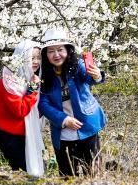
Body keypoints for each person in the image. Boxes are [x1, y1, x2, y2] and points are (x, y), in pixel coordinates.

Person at [38, 26, 107, 176]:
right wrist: (64, 119)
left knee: (94, 172)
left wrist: (97, 76)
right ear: (45, 54)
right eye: (51, 51)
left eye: (60, 49)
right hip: (62, 130)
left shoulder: (76, 66)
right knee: (67, 174)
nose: (56, 55)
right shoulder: (43, 76)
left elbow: (89, 78)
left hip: (87, 124)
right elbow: (43, 103)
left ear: (68, 50)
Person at [0, 39, 46, 176]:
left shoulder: (30, 77)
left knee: (28, 172)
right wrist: (33, 89)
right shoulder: (9, 81)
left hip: (25, 133)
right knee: (23, 172)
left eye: (38, 58)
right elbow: (20, 110)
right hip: (9, 134)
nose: (36, 61)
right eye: (31, 58)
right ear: (22, 58)